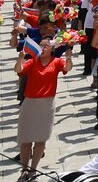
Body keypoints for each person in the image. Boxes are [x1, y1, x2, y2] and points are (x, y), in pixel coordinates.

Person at [15, 36, 71, 181]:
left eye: (46, 45)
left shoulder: (56, 62)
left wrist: (69, 57)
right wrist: (20, 58)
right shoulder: (32, 62)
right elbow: (19, 70)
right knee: (25, 139)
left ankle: (33, 170)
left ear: (52, 48)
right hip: (30, 104)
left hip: (46, 105)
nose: (43, 47)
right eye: (41, 45)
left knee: (41, 140)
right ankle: (24, 169)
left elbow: (67, 68)